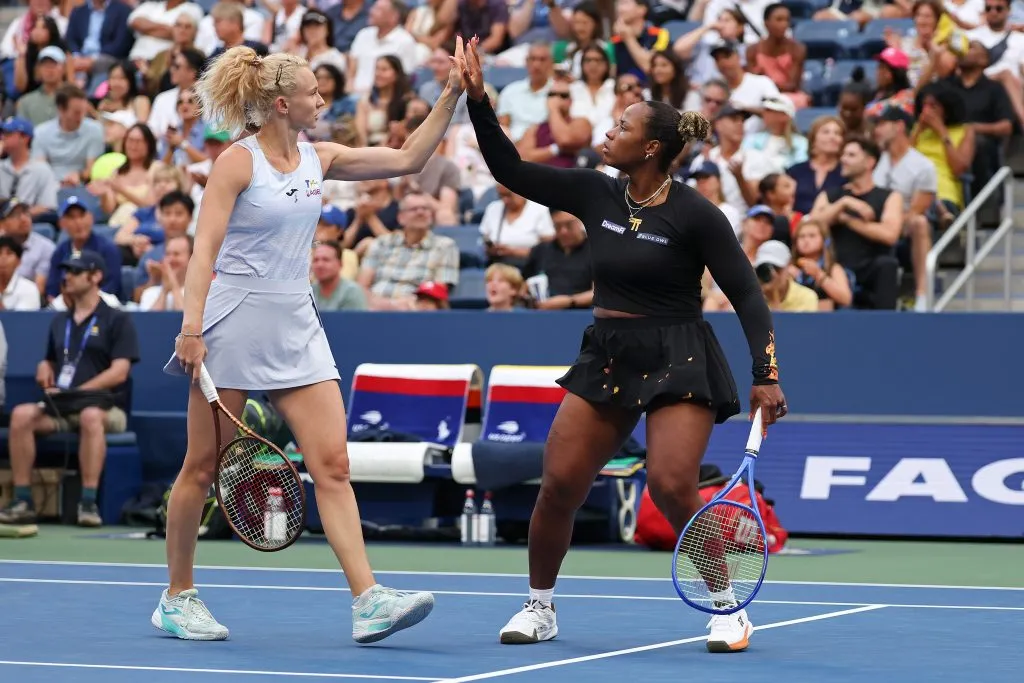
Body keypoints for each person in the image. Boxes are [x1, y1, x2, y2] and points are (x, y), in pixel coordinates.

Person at [460, 37, 787, 653]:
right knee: (558, 483)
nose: (609, 134)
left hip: (678, 352)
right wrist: (480, 102)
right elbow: (510, 170)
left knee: (670, 483)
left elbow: (748, 295)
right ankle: (540, 606)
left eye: (621, 127)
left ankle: (727, 607)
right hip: (608, 349)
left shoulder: (697, 214)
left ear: (651, 147)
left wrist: (765, 373)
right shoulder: (594, 192)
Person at [154, 39, 470, 642]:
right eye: (312, 92)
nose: (322, 99)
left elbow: (407, 158)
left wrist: (451, 93)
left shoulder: (319, 157)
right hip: (232, 320)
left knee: (334, 464)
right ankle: (177, 594)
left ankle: (368, 599)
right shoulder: (235, 164)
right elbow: (203, 253)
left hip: (296, 320)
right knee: (201, 466)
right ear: (280, 104)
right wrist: (191, 328)